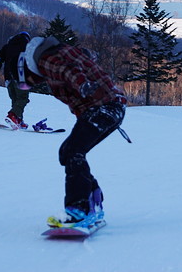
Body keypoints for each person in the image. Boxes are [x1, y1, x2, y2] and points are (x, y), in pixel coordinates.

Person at [19, 36, 126, 227]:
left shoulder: (47, 59)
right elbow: (81, 62)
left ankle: (78, 209)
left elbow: (69, 72)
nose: (28, 85)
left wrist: (82, 84)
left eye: (26, 82)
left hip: (102, 108)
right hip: (110, 108)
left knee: (74, 152)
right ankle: (93, 197)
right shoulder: (64, 52)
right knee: (68, 152)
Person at [0, 32, 32, 129]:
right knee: (23, 98)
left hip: (8, 77)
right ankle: (12, 115)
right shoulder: (28, 47)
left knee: (15, 99)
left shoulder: (7, 46)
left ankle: (18, 120)